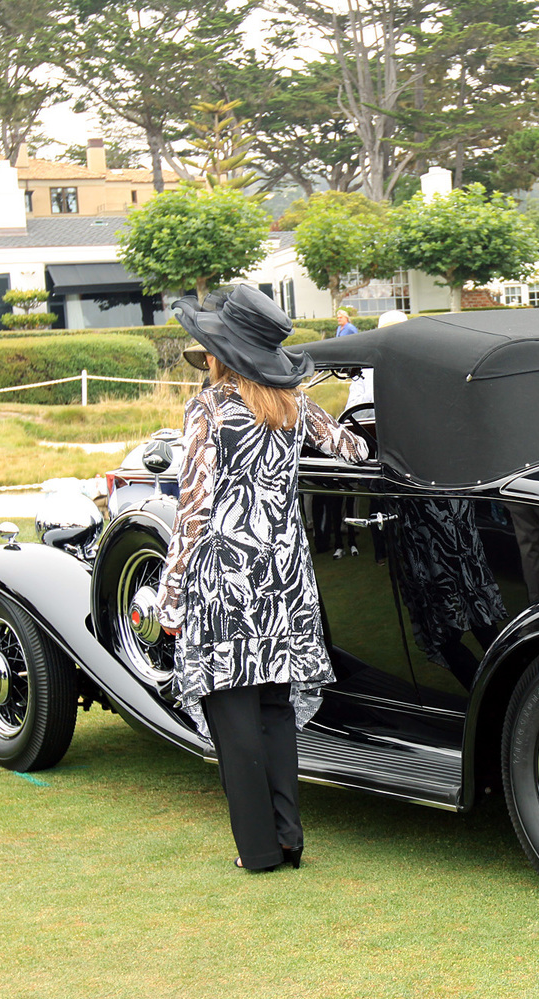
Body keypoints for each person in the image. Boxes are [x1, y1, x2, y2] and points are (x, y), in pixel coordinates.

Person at [158, 284, 369, 872]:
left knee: (232, 708)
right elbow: (351, 448)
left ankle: (257, 850)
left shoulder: (209, 409)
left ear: (221, 352)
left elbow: (193, 504)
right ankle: (288, 839)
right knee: (275, 707)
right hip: (282, 567)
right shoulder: (296, 406)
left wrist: (171, 596)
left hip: (224, 568)